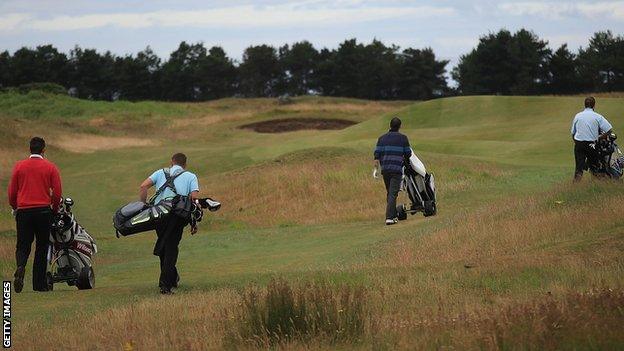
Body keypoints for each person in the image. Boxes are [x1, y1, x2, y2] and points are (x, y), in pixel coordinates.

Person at [7, 137, 62, 293]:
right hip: (43, 211)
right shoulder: (50, 167)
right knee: (42, 246)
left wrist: (14, 206)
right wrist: (55, 209)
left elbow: (12, 192)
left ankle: (20, 266)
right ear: (43, 150)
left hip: (24, 211)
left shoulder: (19, 167)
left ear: (30, 149)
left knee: (23, 245)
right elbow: (57, 193)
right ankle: (39, 285)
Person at [139, 153, 199, 294]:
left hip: (159, 214)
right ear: (185, 165)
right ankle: (165, 285)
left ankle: (172, 278)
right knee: (171, 248)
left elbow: (143, 187)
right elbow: (194, 198)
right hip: (178, 216)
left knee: (164, 245)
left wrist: (142, 206)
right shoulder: (191, 176)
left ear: (172, 162)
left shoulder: (161, 172)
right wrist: (194, 222)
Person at [373, 117, 412, 225]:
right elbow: (408, 153)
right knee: (393, 193)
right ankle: (389, 218)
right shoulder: (403, 138)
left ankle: (394, 215)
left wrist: (375, 169)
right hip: (396, 169)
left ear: (390, 126)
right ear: (400, 126)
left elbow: (377, 155)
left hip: (385, 169)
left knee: (390, 193)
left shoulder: (382, 138)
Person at [571, 97, 613, 181]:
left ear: (585, 105)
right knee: (594, 167)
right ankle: (595, 185)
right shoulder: (598, 116)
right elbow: (609, 130)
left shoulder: (578, 116)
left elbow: (573, 133)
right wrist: (599, 137)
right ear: (594, 105)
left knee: (579, 168)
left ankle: (575, 186)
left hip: (579, 144)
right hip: (592, 144)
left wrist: (577, 142)